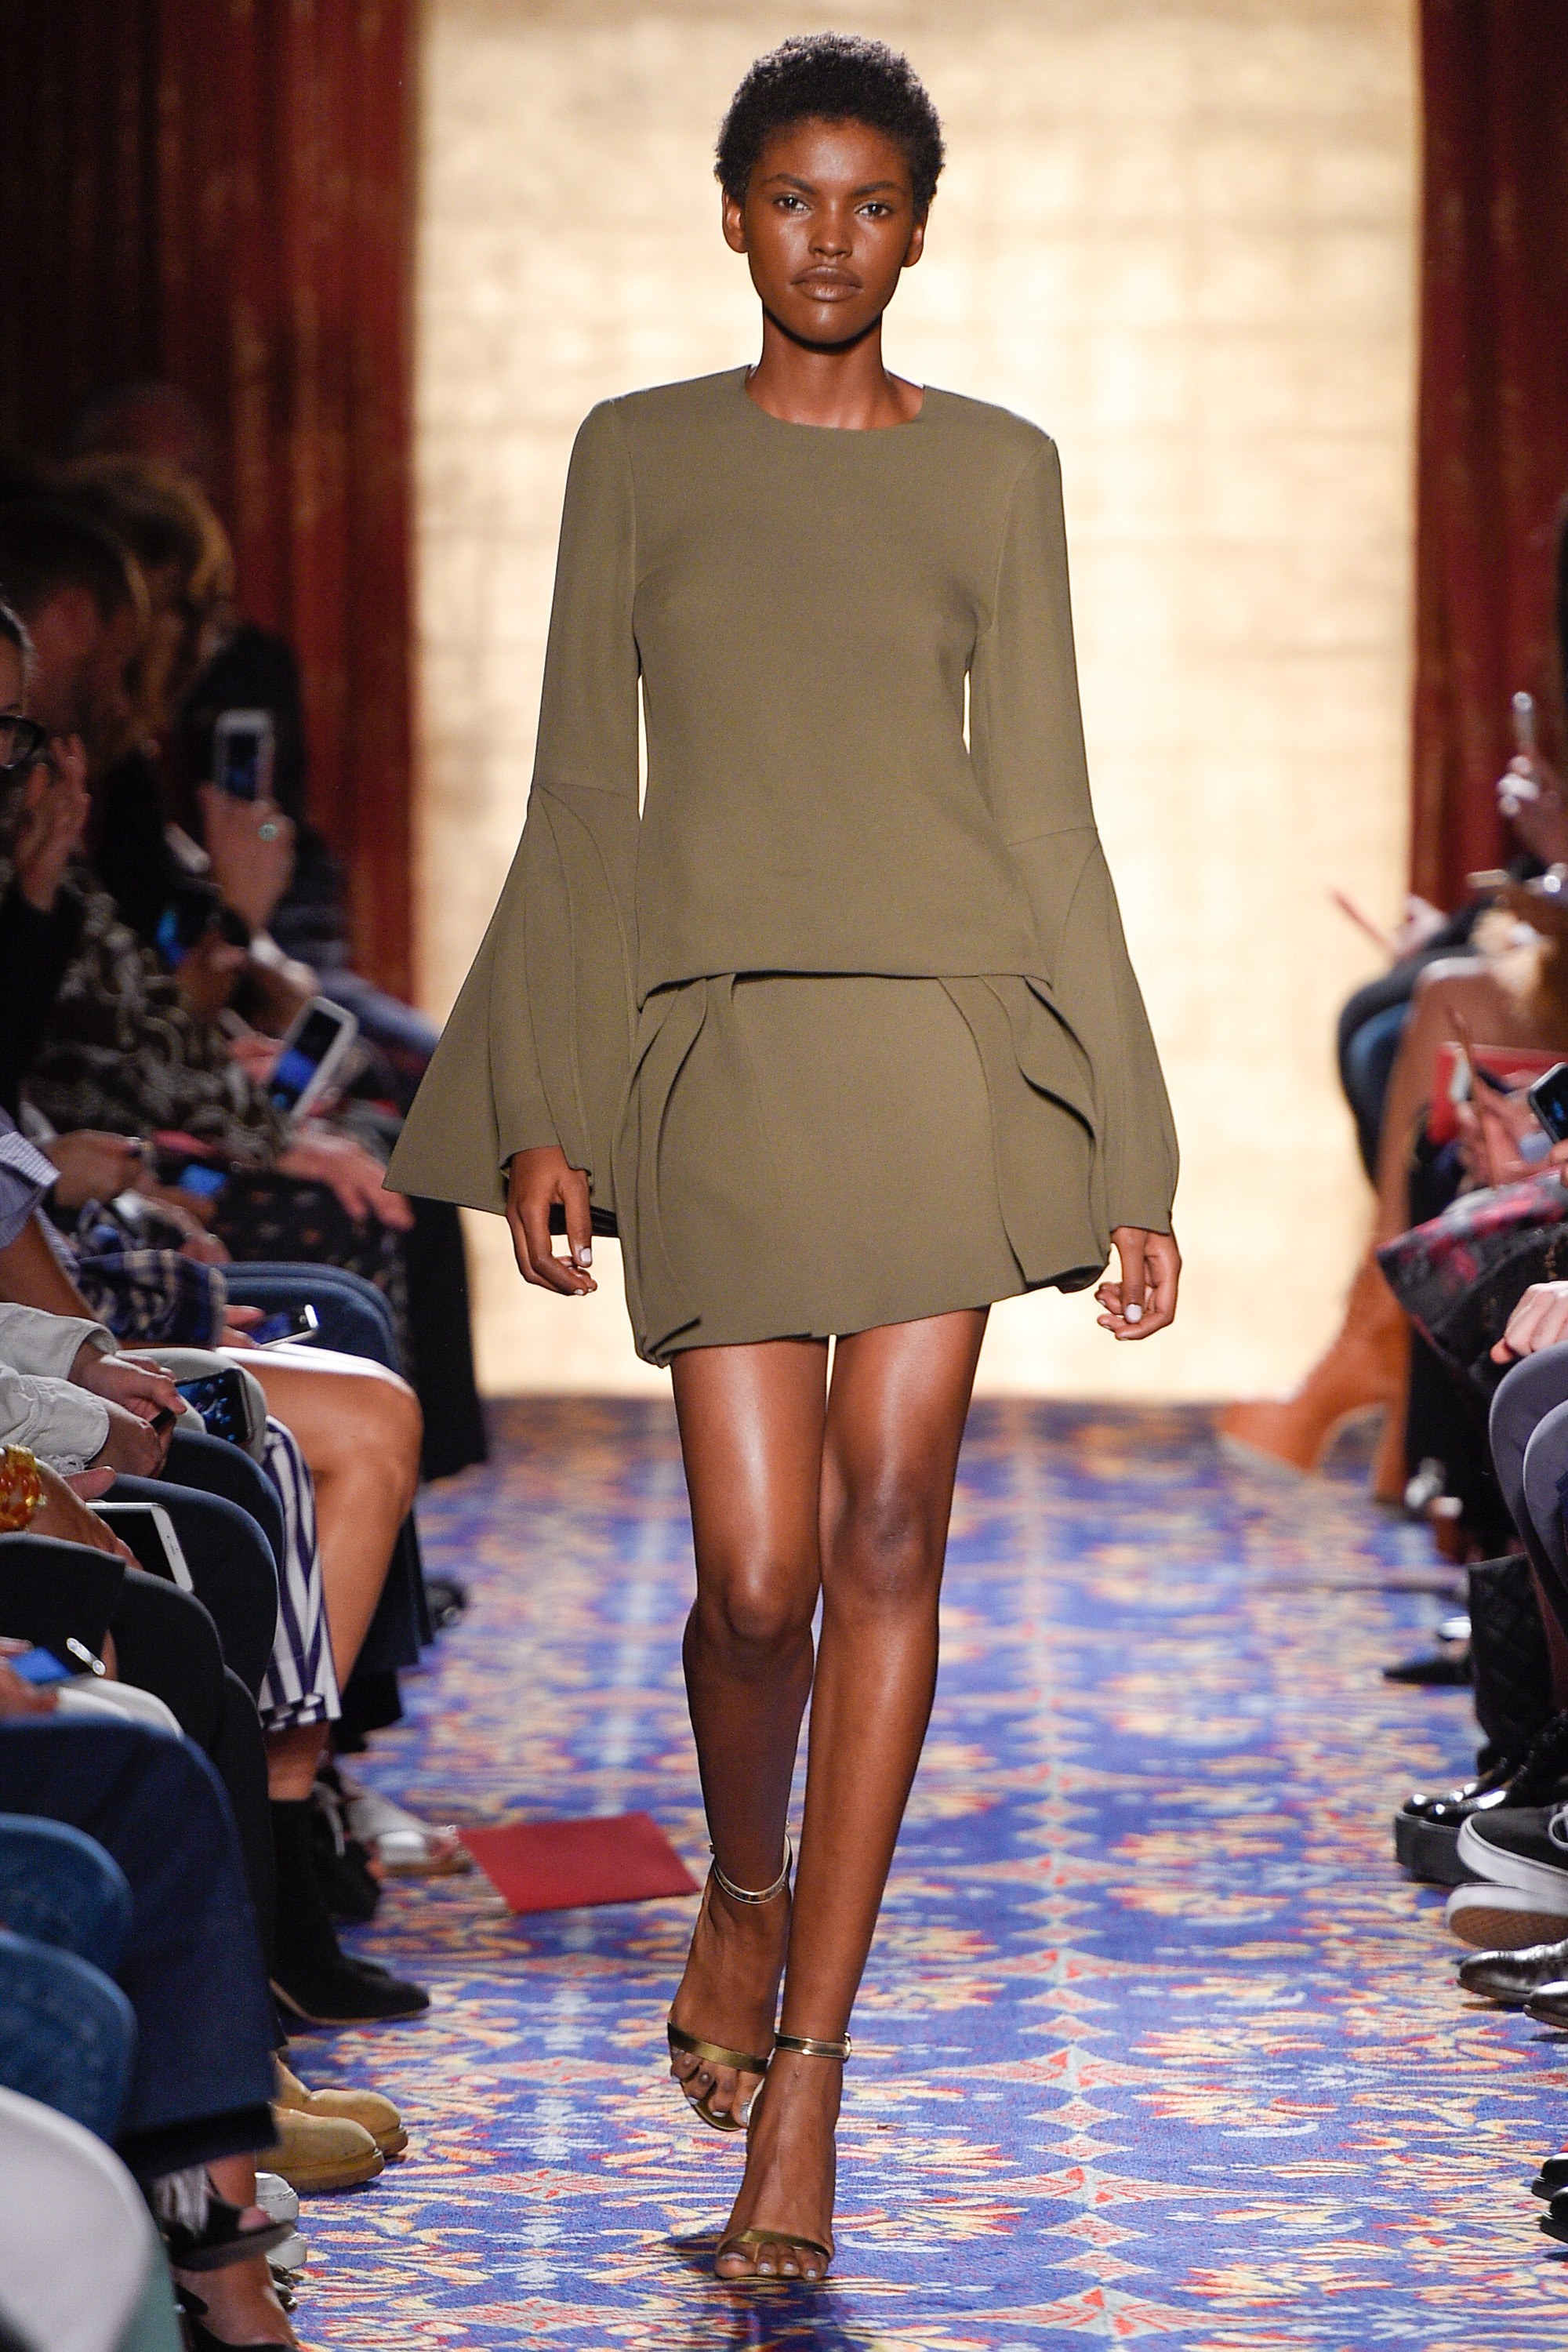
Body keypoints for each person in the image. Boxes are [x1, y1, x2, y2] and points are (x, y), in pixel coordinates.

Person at [390, 34, 1179, 2283]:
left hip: (943, 1045)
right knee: (752, 1582)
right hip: (719, 1043)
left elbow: (1047, 804)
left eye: (871, 203)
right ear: (731, 212)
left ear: (921, 229)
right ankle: (743, 1889)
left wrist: (1130, 1135)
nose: (831, 238)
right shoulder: (634, 455)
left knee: (888, 1527)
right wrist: (547, 1090)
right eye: (794, 198)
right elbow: (579, 789)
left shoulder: (999, 472)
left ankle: (810, 2088)